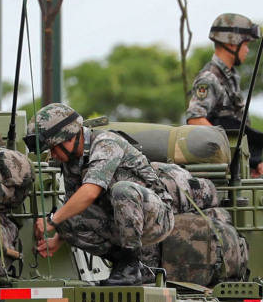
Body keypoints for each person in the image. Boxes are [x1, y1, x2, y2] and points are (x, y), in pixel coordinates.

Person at [31, 102, 174, 286]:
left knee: (122, 190)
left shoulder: (106, 143)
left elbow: (90, 192)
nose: (52, 155)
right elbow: (73, 206)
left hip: (155, 218)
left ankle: (130, 266)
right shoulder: (71, 162)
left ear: (69, 137)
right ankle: (125, 264)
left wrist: (51, 221)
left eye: (54, 147)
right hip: (118, 220)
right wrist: (59, 238)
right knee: (66, 216)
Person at [185, 12, 263, 174]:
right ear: (232, 43)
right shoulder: (210, 78)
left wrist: (250, 159)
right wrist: (230, 149)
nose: (247, 50)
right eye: (245, 44)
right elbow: (195, 119)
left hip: (232, 167)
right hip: (216, 170)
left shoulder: (230, 77)